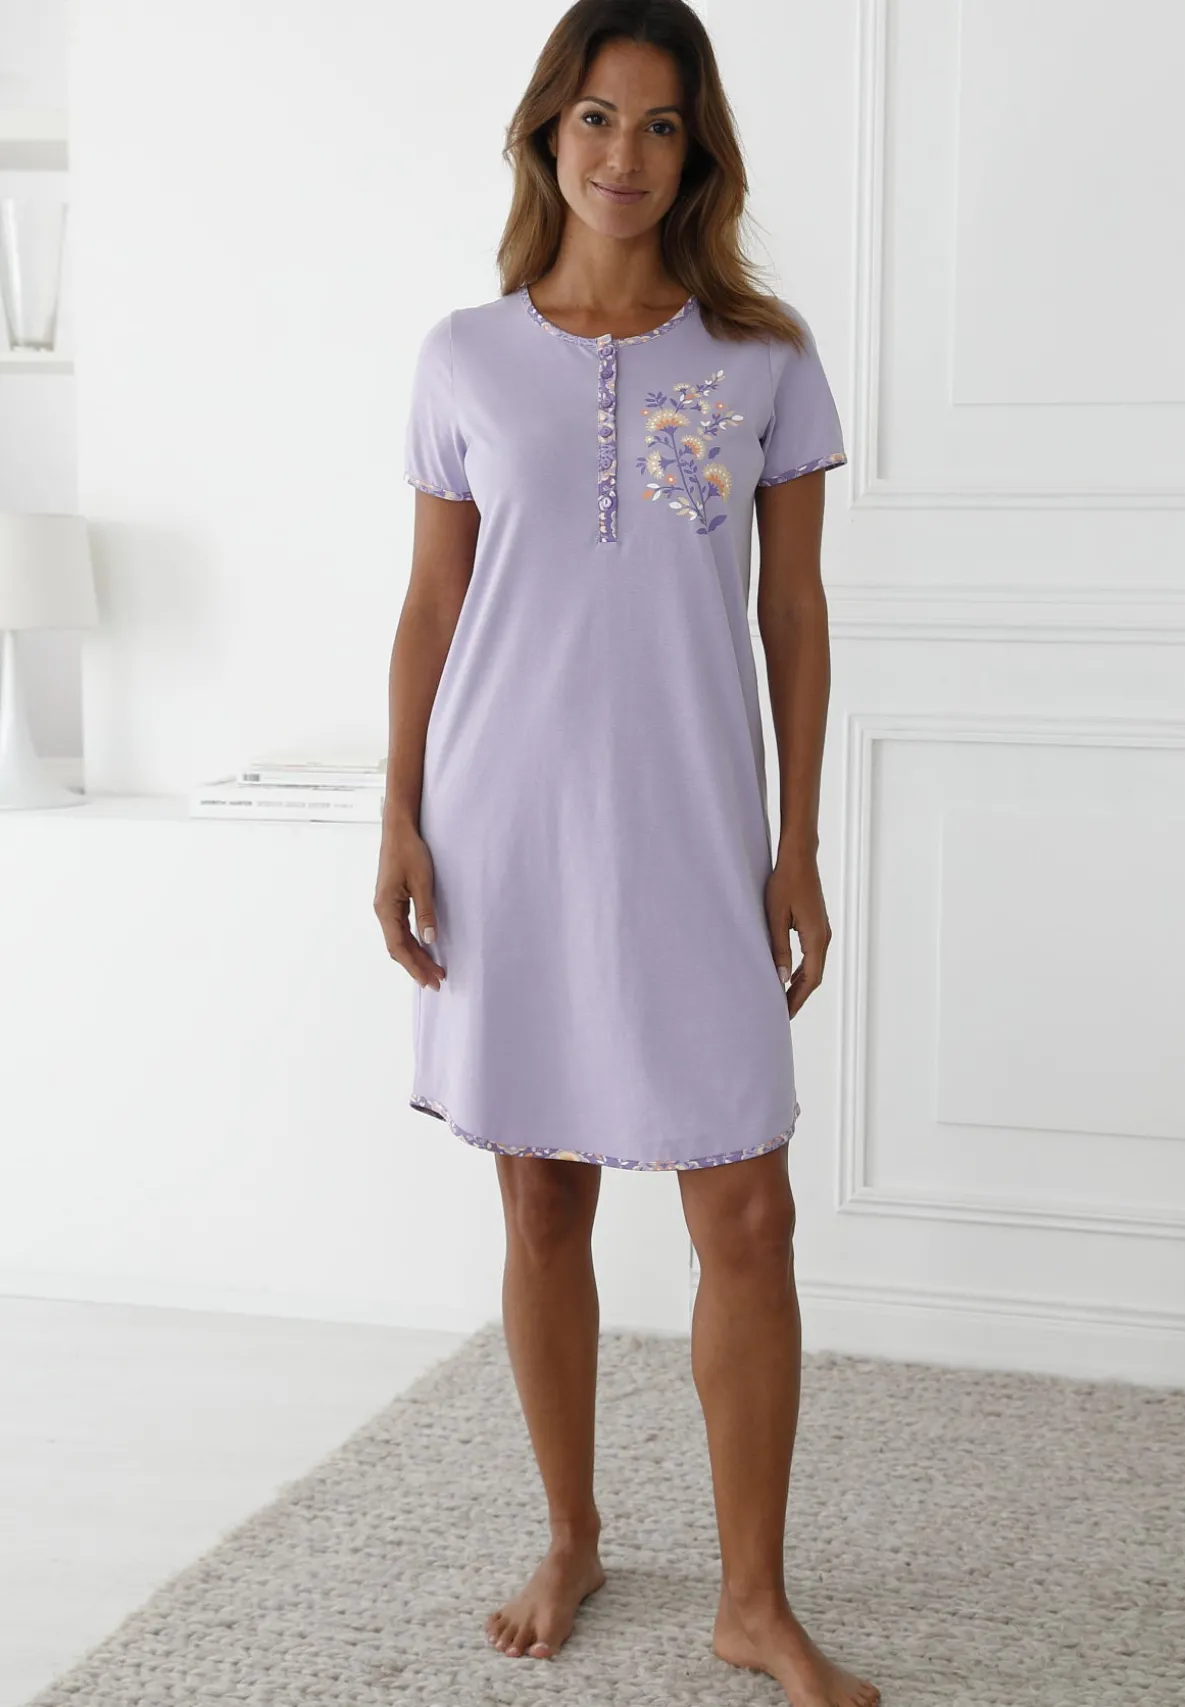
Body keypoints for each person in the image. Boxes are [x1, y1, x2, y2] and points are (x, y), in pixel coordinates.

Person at [373, 3, 879, 1704]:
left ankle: (753, 1597)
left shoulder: (764, 359)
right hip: (502, 824)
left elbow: (793, 616)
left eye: (661, 125)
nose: (624, 153)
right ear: (547, 133)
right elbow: (432, 604)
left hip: (690, 829)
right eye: (596, 116)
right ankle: (572, 1533)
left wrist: (797, 843)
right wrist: (399, 813)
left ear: (697, 154)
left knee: (749, 1208)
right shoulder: (463, 355)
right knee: (542, 1195)